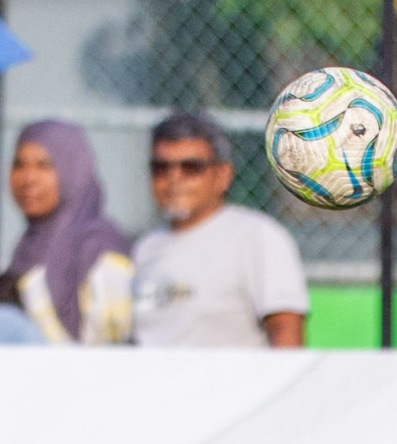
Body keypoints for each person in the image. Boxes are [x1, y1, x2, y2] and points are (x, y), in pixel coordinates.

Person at [130, 113, 310, 347]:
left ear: (223, 175)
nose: (174, 178)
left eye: (191, 167)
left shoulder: (256, 236)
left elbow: (285, 329)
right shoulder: (145, 248)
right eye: (161, 168)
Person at [6, 119, 132, 345]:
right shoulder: (26, 249)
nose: (28, 179)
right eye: (19, 165)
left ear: (74, 170)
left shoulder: (98, 251)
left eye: (44, 166)